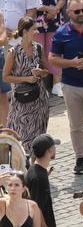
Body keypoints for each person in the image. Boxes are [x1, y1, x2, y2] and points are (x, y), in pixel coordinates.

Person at [3, 16, 50, 153]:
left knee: (38, 140)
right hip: (21, 101)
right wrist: (26, 79)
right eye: (33, 30)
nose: (36, 32)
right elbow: (5, 77)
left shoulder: (38, 48)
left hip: (39, 100)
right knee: (19, 138)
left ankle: (35, 169)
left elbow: (46, 71)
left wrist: (40, 72)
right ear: (25, 31)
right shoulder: (14, 52)